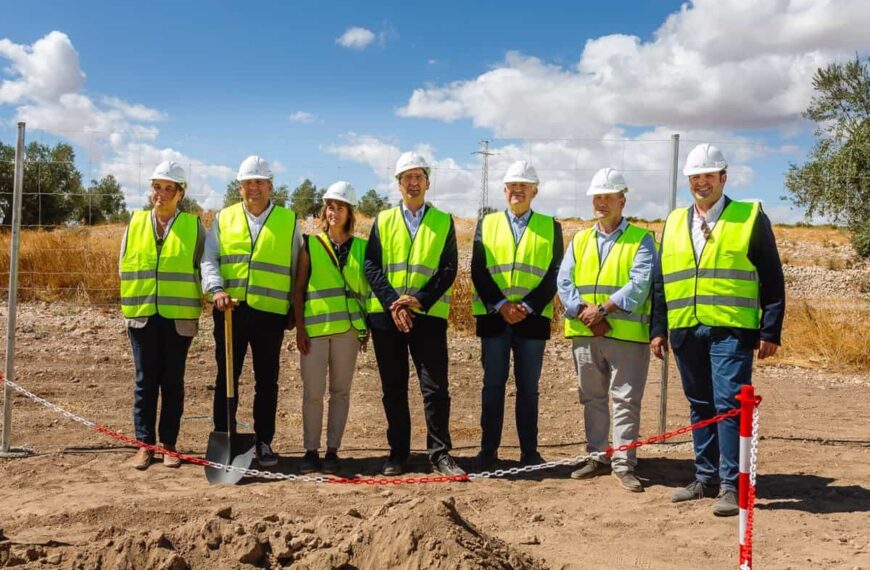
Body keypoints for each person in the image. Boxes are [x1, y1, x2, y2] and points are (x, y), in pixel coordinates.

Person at [650, 144, 785, 516]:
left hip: (732, 329)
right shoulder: (674, 222)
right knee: (700, 405)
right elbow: (661, 282)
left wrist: (770, 330)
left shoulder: (749, 217)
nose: (702, 182)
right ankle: (706, 478)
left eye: (708, 175)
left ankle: (731, 485)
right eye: (695, 177)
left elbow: (772, 277)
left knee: (728, 405)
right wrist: (658, 328)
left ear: (723, 177)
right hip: (685, 328)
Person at [364, 151, 464, 477]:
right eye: (407, 177)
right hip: (387, 318)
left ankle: (440, 453)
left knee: (435, 389)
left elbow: (449, 268)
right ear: (398, 184)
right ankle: (398, 453)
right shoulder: (383, 220)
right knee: (393, 389)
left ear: (428, 182)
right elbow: (371, 265)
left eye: (418, 176)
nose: (413, 182)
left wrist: (419, 300)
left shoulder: (442, 221)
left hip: (427, 316)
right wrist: (394, 303)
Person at [557, 168, 656, 492]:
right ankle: (597, 456)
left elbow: (640, 284)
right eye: (597, 197)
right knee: (592, 397)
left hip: (626, 335)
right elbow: (565, 281)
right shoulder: (580, 239)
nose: (601, 202)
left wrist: (602, 309)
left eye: (608, 197)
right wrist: (583, 311)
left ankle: (624, 464)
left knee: (625, 400)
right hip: (586, 333)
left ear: (622, 201)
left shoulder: (642, 239)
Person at [201, 155, 303, 468]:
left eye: (259, 182)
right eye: (248, 182)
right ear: (239, 187)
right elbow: (209, 258)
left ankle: (264, 441)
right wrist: (216, 289)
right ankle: (225, 436)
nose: (253, 187)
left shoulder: (288, 221)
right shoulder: (224, 218)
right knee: (226, 378)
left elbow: (296, 267)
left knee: (267, 381)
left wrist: (293, 311)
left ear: (270, 186)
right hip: (230, 312)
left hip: (270, 314)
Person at [470, 160, 563, 470]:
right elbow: (478, 269)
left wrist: (527, 306)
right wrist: (501, 304)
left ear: (535, 191)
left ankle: (529, 452)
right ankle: (488, 451)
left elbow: (555, 272)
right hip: (494, 317)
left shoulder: (551, 226)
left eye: (524, 185)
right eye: (513, 185)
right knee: (492, 387)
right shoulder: (487, 224)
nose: (518, 190)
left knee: (528, 389)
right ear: (504, 190)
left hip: (532, 320)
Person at [119, 161, 205, 470]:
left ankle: (169, 445)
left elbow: (204, 266)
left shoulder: (194, 227)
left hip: (178, 317)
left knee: (172, 381)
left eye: (169, 189)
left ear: (180, 194)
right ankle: (145, 446)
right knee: (145, 381)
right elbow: (123, 265)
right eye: (157, 187)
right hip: (142, 315)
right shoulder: (136, 223)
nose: (162, 194)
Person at [293, 181, 369, 475]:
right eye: (330, 207)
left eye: (340, 207)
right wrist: (300, 329)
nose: (333, 212)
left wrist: (365, 329)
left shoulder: (362, 248)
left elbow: (366, 292)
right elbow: (299, 289)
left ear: (350, 212)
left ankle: (332, 451)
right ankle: (311, 451)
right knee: (312, 392)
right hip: (315, 331)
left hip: (348, 332)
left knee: (341, 392)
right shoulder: (311, 244)